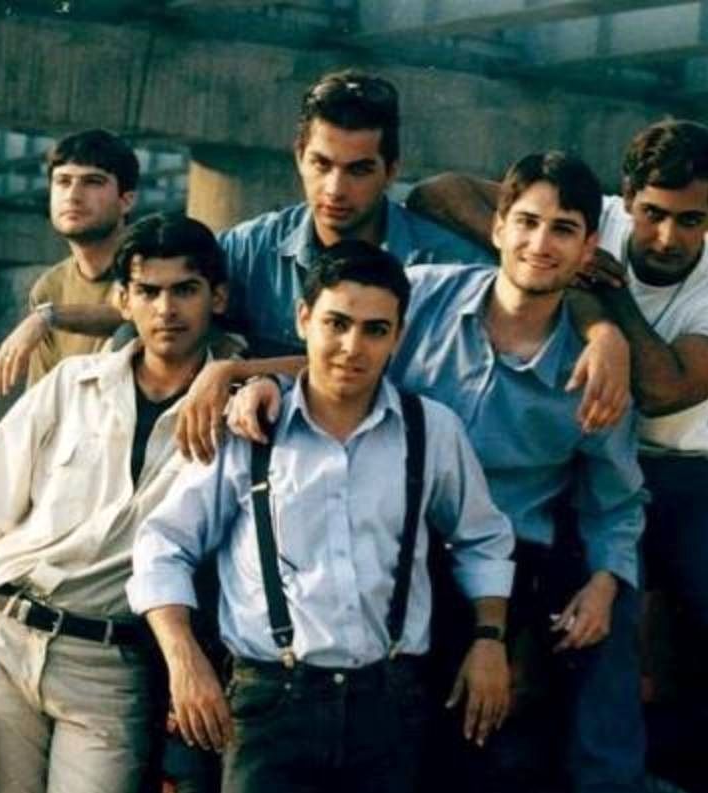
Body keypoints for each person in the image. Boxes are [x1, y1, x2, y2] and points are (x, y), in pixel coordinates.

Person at [408, 120, 708, 793]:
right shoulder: (581, 217)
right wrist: (553, 265)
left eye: (690, 220)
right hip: (577, 457)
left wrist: (604, 314)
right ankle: (610, 781)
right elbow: (437, 191)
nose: (666, 236)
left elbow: (661, 390)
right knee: (599, 620)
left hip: (678, 468)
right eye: (653, 213)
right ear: (625, 199)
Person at [232, 151, 648, 793]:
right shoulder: (423, 292)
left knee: (478, 757)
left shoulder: (594, 372)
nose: (540, 244)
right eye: (527, 222)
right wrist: (245, 377)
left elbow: (615, 499)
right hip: (387, 546)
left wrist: (605, 582)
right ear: (499, 226)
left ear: (587, 247)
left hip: (507, 573)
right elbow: (339, 356)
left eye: (563, 230)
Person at [0, 70, 628, 464]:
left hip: (391, 480)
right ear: (299, 154)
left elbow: (530, 285)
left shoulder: (438, 262)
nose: (335, 189)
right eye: (321, 164)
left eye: (359, 170)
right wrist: (54, 320)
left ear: (392, 170)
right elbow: (160, 307)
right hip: (254, 474)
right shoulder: (249, 249)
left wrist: (604, 333)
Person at [127, 245, 516, 793]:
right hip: (269, 704)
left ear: (398, 336)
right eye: (337, 323)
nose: (352, 347)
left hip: (390, 705)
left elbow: (483, 538)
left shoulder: (431, 430)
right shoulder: (249, 429)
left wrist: (489, 638)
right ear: (304, 319)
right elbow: (163, 545)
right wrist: (183, 658)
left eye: (375, 330)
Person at [0, 213, 231, 793]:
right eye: (148, 291)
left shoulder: (236, 409)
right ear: (122, 299)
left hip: (110, 665)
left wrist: (242, 373)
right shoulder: (72, 383)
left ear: (217, 297)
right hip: (3, 636)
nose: (166, 309)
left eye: (185, 290)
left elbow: (331, 374)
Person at [0, 128, 139, 395]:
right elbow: (43, 398)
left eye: (93, 182)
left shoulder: (152, 261)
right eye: (63, 181)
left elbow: (144, 317)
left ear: (126, 201)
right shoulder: (49, 288)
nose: (73, 195)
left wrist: (48, 317)